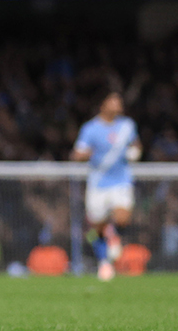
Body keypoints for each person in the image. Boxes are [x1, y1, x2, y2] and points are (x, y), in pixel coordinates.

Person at [72, 90, 141, 281]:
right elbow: (77, 154)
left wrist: (135, 152)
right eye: (114, 101)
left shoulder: (127, 126)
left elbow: (136, 144)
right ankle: (104, 262)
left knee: (122, 218)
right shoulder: (91, 128)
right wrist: (86, 155)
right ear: (103, 104)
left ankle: (113, 237)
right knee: (98, 226)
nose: (118, 105)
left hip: (121, 180)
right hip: (98, 183)